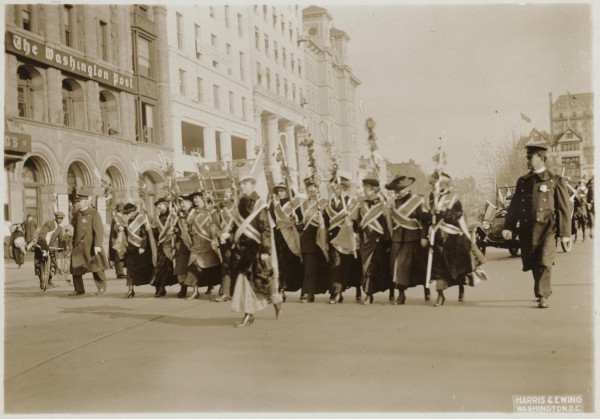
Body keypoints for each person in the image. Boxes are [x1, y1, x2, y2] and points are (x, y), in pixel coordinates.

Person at [503, 143, 571, 308]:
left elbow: (564, 208)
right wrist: (508, 227)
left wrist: (565, 233)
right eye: (527, 157)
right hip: (528, 230)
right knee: (533, 261)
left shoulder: (555, 180)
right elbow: (515, 207)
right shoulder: (523, 181)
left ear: (541, 158)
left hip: (548, 229)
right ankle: (543, 290)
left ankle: (542, 295)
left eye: (530, 157)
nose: (527, 160)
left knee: (544, 261)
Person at [229, 171, 281, 327]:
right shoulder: (239, 203)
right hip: (243, 249)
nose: (242, 186)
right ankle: (248, 315)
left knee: (264, 281)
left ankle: (276, 302)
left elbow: (265, 228)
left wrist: (266, 250)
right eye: (240, 184)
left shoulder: (259, 204)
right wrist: (229, 234)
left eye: (245, 183)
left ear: (252, 184)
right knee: (246, 282)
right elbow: (237, 225)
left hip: (257, 249)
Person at [427, 173, 486, 306]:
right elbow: (428, 218)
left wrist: (442, 211)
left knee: (457, 268)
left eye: (437, 184)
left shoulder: (453, 199)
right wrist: (430, 214)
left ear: (445, 185)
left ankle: (461, 287)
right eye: (433, 184)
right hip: (438, 237)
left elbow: (457, 214)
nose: (433, 186)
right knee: (439, 269)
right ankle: (440, 295)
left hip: (453, 237)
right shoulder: (431, 199)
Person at [386, 175, 430, 304]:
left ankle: (425, 288)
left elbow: (424, 220)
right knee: (395, 265)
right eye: (394, 191)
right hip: (397, 238)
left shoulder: (416, 201)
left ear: (407, 189)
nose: (396, 193)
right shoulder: (394, 203)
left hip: (413, 238)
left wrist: (423, 237)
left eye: (398, 190)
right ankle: (401, 293)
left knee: (413, 266)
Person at [323, 171, 360, 304]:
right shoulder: (330, 204)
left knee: (349, 266)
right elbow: (326, 222)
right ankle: (335, 293)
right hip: (334, 239)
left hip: (349, 238)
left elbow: (357, 221)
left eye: (337, 187)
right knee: (336, 265)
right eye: (334, 187)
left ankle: (354, 290)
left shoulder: (353, 203)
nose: (335, 190)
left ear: (344, 188)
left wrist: (352, 222)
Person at [356, 173, 392, 304]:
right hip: (366, 241)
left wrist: (389, 243)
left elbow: (387, 225)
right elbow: (358, 224)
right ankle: (368, 293)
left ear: (373, 189)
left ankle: (378, 293)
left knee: (378, 268)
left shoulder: (383, 206)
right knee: (366, 268)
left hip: (379, 242)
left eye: (366, 188)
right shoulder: (362, 205)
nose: (364, 190)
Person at [183, 191, 222, 300]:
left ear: (203, 199)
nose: (195, 200)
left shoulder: (211, 211)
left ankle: (223, 288)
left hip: (209, 244)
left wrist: (218, 236)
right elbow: (188, 227)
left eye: (198, 198)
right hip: (196, 244)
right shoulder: (193, 212)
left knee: (215, 267)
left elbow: (217, 226)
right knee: (193, 267)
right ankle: (195, 291)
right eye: (194, 198)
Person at [296, 176, 329, 303]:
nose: (311, 190)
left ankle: (333, 292)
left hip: (320, 239)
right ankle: (308, 292)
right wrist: (296, 221)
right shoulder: (303, 205)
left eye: (314, 187)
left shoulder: (324, 203)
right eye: (309, 188)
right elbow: (299, 223)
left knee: (321, 267)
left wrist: (323, 220)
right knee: (309, 268)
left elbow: (329, 220)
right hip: (308, 240)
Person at [70, 194, 110, 296]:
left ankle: (101, 288)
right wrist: (72, 245)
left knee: (97, 268)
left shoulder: (94, 213)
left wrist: (97, 245)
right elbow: (75, 232)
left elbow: (99, 231)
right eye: (76, 202)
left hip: (91, 246)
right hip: (79, 246)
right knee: (76, 268)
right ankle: (79, 289)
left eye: (79, 202)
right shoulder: (77, 215)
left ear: (86, 202)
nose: (77, 204)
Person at [269, 182, 304, 302]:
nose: (280, 193)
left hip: (292, 235)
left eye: (283, 190)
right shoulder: (274, 205)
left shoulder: (295, 204)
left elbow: (301, 219)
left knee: (293, 261)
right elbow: (272, 220)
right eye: (278, 191)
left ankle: (302, 287)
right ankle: (281, 288)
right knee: (279, 263)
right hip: (279, 236)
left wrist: (296, 219)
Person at [121, 203, 155, 298]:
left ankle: (158, 286)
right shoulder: (128, 220)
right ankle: (130, 290)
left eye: (130, 213)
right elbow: (127, 234)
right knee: (130, 269)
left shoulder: (141, 219)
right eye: (127, 213)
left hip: (141, 248)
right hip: (131, 248)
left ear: (134, 211)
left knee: (148, 268)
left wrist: (143, 247)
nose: (128, 215)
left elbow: (145, 234)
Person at [151, 198, 179, 297]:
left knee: (169, 267)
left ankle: (163, 287)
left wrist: (174, 229)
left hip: (171, 244)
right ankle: (160, 288)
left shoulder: (172, 216)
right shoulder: (158, 217)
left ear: (166, 205)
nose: (158, 207)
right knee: (159, 267)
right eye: (158, 205)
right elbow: (154, 232)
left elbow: (178, 227)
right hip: (161, 245)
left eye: (160, 205)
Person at [213, 188, 235, 302]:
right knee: (226, 265)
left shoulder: (238, 209)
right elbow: (215, 226)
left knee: (236, 266)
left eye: (227, 195)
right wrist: (220, 234)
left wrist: (231, 235)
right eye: (224, 195)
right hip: (224, 241)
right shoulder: (219, 211)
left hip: (236, 241)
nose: (224, 197)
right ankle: (226, 292)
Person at [34, 211, 65, 288]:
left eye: (62, 218)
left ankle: (49, 281)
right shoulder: (49, 223)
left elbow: (61, 239)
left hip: (51, 247)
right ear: (56, 217)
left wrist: (63, 246)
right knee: (39, 263)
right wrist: (44, 244)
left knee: (53, 263)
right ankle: (42, 281)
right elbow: (42, 234)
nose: (60, 220)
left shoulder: (60, 228)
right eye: (59, 218)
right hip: (42, 245)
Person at [173, 194, 193, 298]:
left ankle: (196, 288)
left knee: (194, 266)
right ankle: (183, 288)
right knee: (181, 266)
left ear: (190, 204)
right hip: (182, 244)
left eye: (184, 202)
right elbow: (176, 229)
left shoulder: (194, 213)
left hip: (194, 243)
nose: (182, 204)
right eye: (181, 203)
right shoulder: (179, 216)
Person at [109, 203, 127, 279]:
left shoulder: (117, 217)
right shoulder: (116, 218)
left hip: (118, 239)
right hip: (117, 239)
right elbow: (118, 228)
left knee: (120, 255)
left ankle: (120, 272)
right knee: (118, 256)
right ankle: (120, 273)